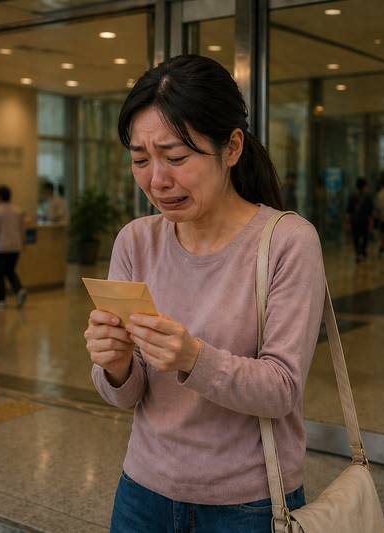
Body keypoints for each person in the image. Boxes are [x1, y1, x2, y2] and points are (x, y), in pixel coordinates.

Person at [83, 54, 326, 532]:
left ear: (231, 147)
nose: (157, 180)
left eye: (176, 158)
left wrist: (192, 357)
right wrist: (114, 365)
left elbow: (282, 389)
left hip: (249, 504)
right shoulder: (135, 241)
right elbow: (126, 396)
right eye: (140, 159)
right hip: (141, 492)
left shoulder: (286, 241)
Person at [0, 185, 27, 309]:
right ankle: (19, 290)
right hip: (15, 247)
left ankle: (0, 300)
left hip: (0, 248)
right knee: (10, 271)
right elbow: (22, 229)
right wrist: (23, 243)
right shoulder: (18, 210)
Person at [346, 177, 373, 262]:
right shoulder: (367, 197)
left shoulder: (352, 196)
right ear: (364, 186)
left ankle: (358, 253)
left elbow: (349, 210)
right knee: (364, 237)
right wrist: (371, 221)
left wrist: (348, 221)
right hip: (363, 221)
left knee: (356, 238)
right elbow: (370, 211)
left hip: (356, 221)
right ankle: (362, 252)